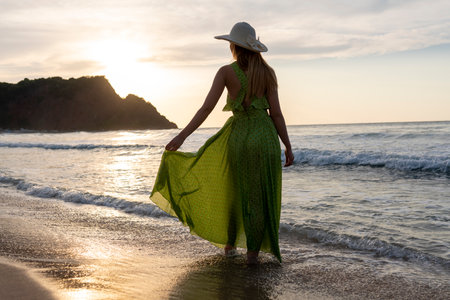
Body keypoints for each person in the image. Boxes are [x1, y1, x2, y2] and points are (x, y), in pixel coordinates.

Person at [150, 22, 294, 265]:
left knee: (233, 192)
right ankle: (252, 255)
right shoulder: (268, 73)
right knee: (259, 197)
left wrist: (181, 136)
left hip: (239, 136)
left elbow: (206, 108)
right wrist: (287, 146)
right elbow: (276, 114)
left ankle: (229, 247)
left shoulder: (226, 72)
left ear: (234, 47)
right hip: (265, 137)